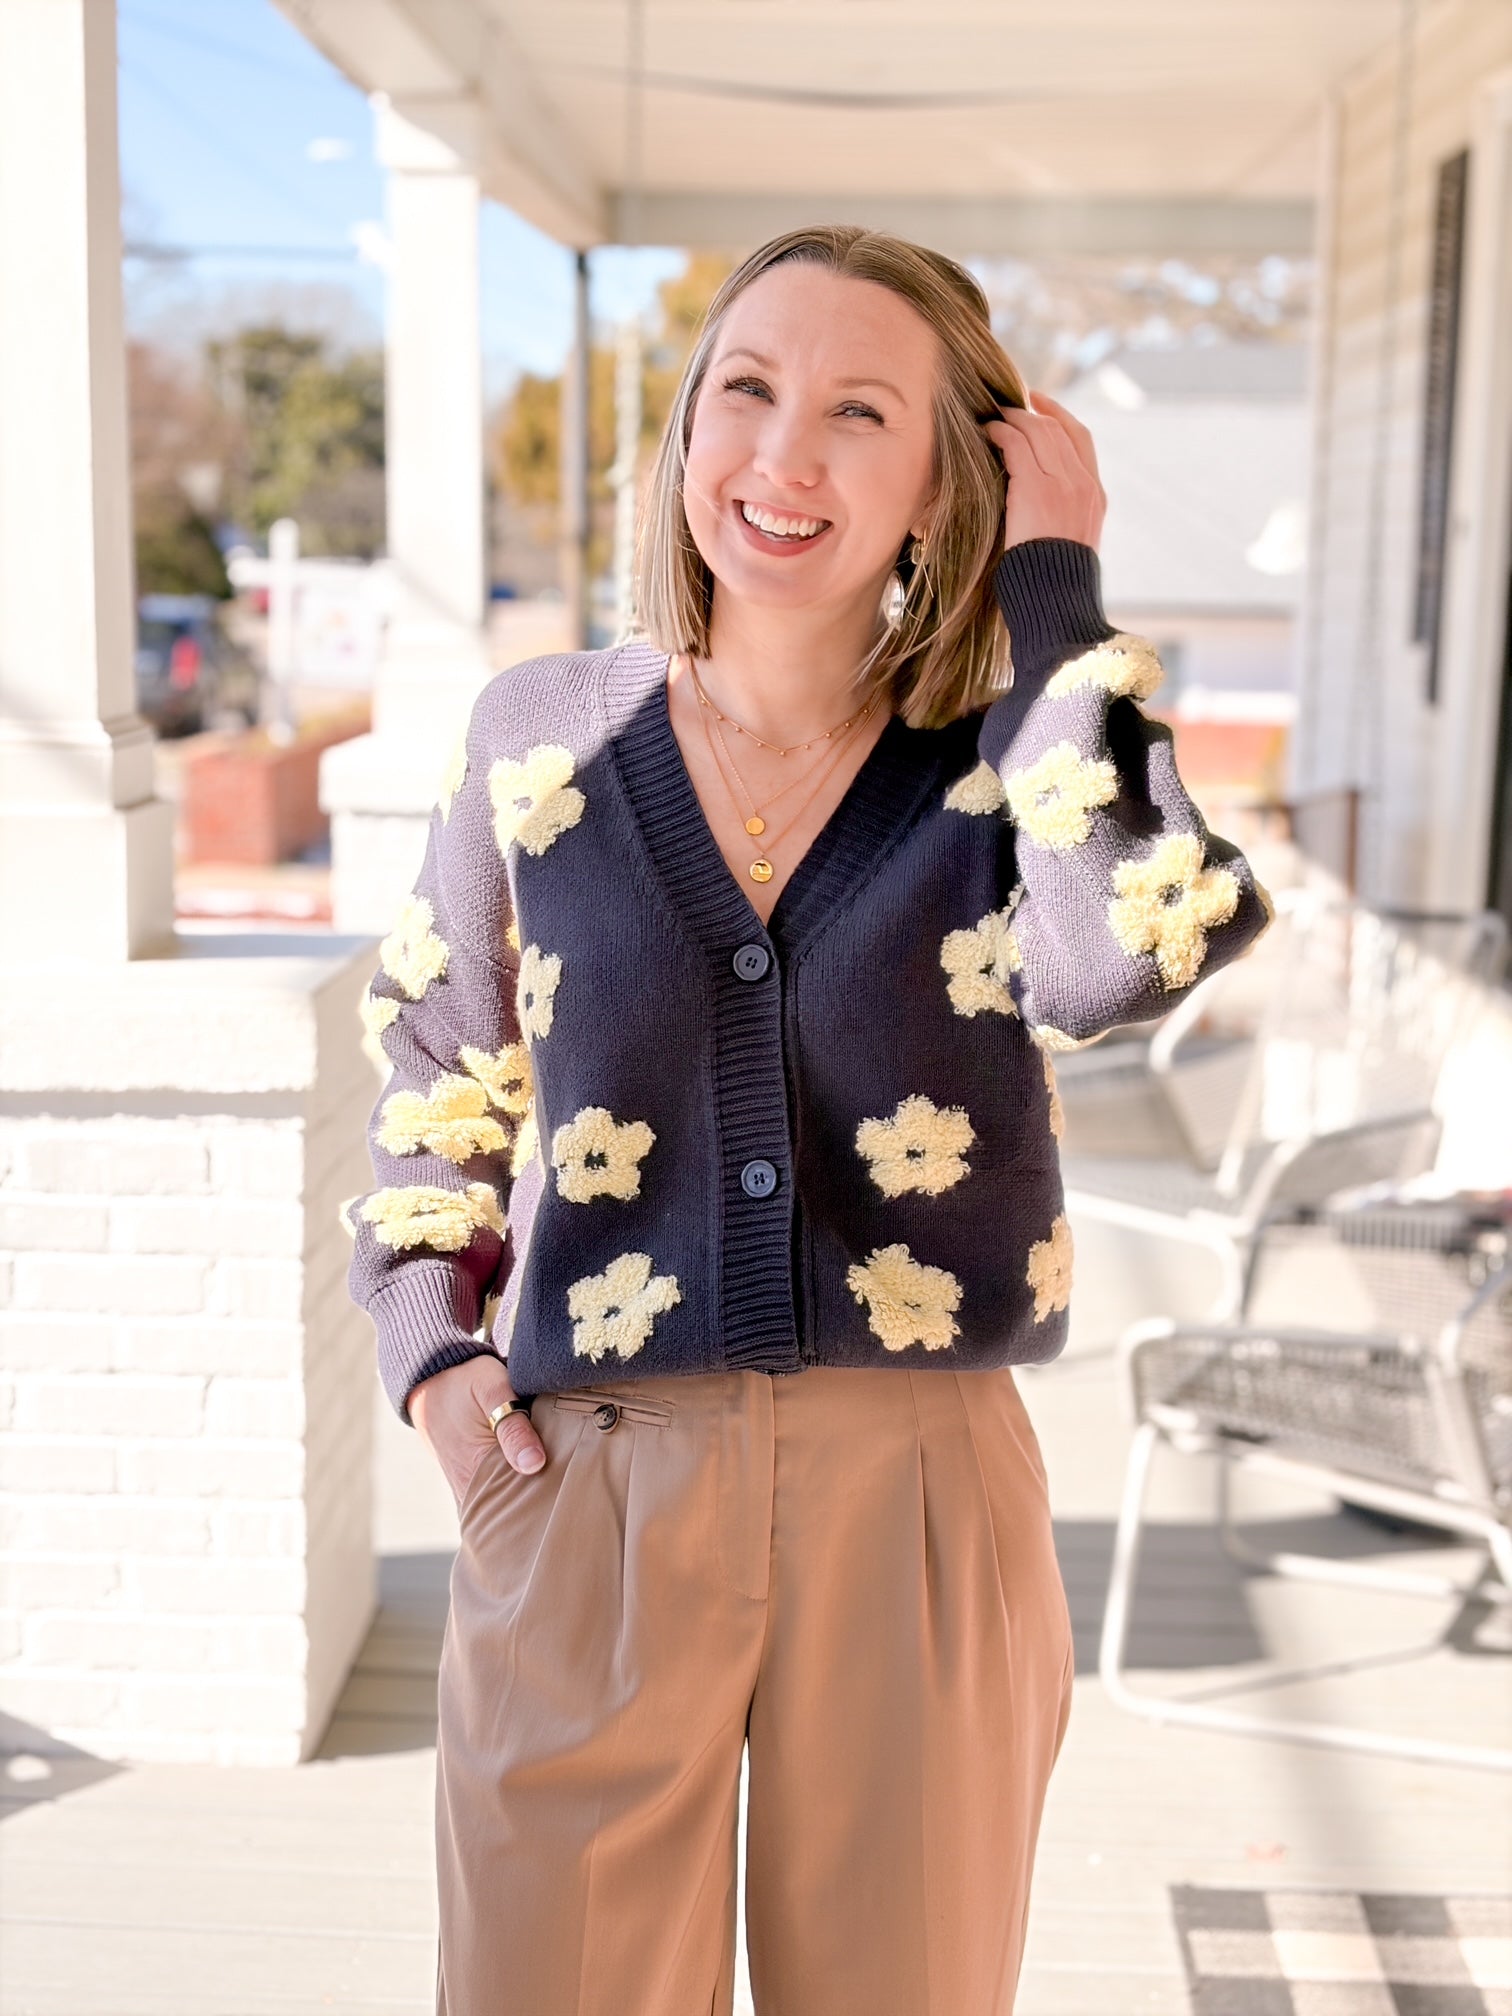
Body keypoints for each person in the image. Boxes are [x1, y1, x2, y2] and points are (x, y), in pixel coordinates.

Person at [342, 223, 1273, 2015]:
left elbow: (1117, 957)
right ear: (689, 430)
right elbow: (439, 1067)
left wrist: (1060, 599)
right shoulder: (538, 745)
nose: (784, 454)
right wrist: (434, 1361)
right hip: (587, 1476)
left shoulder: (1007, 763)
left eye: (862, 412)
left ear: (948, 483)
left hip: (916, 1490)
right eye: (749, 390)